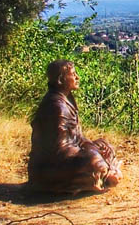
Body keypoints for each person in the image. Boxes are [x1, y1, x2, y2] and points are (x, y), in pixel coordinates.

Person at [26, 60, 122, 193]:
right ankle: (105, 175)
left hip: (69, 154)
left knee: (105, 145)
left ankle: (106, 173)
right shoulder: (56, 106)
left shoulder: (66, 99)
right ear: (61, 79)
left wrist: (92, 146)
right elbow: (60, 149)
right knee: (93, 160)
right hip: (51, 166)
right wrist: (91, 151)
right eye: (73, 74)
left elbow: (77, 137)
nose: (77, 77)